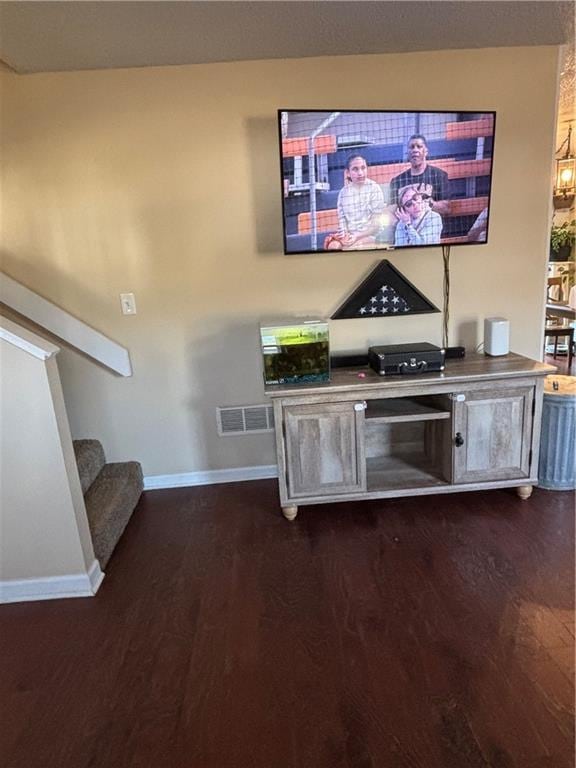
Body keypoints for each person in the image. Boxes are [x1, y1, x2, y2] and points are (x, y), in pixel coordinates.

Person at [324, 154, 385, 250]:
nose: (360, 173)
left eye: (363, 168)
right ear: (348, 173)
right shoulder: (343, 193)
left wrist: (357, 235)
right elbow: (342, 221)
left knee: (355, 247)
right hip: (350, 236)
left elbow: (376, 225)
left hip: (371, 234)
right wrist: (343, 234)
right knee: (333, 247)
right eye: (355, 169)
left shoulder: (374, 188)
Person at [389, 134, 450, 216]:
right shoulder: (397, 181)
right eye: (412, 147)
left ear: (426, 152)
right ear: (408, 153)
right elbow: (392, 211)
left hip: (431, 225)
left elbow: (447, 208)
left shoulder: (439, 176)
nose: (415, 150)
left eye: (419, 146)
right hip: (405, 225)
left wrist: (429, 204)